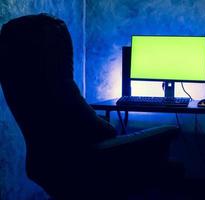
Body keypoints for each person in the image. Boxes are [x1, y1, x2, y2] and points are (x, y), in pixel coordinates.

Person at [0, 14, 178, 199]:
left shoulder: (21, 83)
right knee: (171, 159)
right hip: (85, 166)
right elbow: (105, 132)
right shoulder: (60, 90)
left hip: (46, 164)